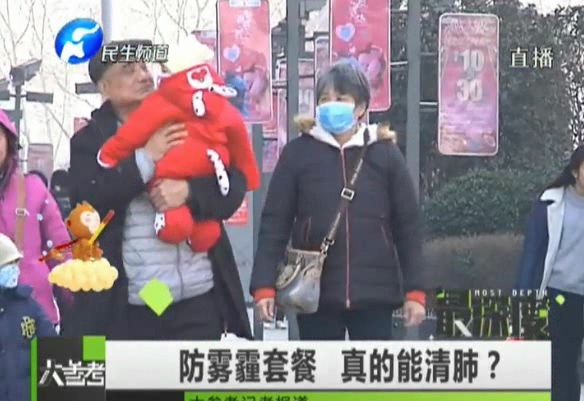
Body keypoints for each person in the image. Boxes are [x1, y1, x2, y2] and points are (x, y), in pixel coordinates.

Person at [65, 39, 253, 340]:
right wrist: (145, 159)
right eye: (128, 70)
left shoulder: (193, 119)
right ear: (105, 88)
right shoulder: (90, 142)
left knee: (195, 371)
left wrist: (189, 192)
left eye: (144, 67)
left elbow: (233, 189)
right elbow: (90, 204)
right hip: (138, 299)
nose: (143, 76)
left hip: (200, 294)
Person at [251, 62, 426, 340]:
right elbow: (274, 224)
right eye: (324, 99)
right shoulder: (298, 153)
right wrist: (263, 286)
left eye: (341, 98)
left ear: (361, 107)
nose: (331, 105)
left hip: (375, 293)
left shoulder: (385, 154)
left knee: (370, 368)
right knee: (320, 368)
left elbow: (408, 225)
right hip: (314, 293)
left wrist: (415, 290)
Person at [516, 145, 584, 401]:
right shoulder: (551, 202)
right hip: (558, 295)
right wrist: (523, 300)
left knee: (570, 362)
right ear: (575, 171)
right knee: (562, 362)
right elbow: (532, 254)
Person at [0, 110, 72, 332]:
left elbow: (61, 253)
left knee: (81, 350)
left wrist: (76, 306)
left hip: (33, 319)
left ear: (8, 142)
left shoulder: (33, 189)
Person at [0, 233, 57, 401]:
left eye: (15, 264)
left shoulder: (28, 305)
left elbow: (52, 346)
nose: (13, 270)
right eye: (7, 265)